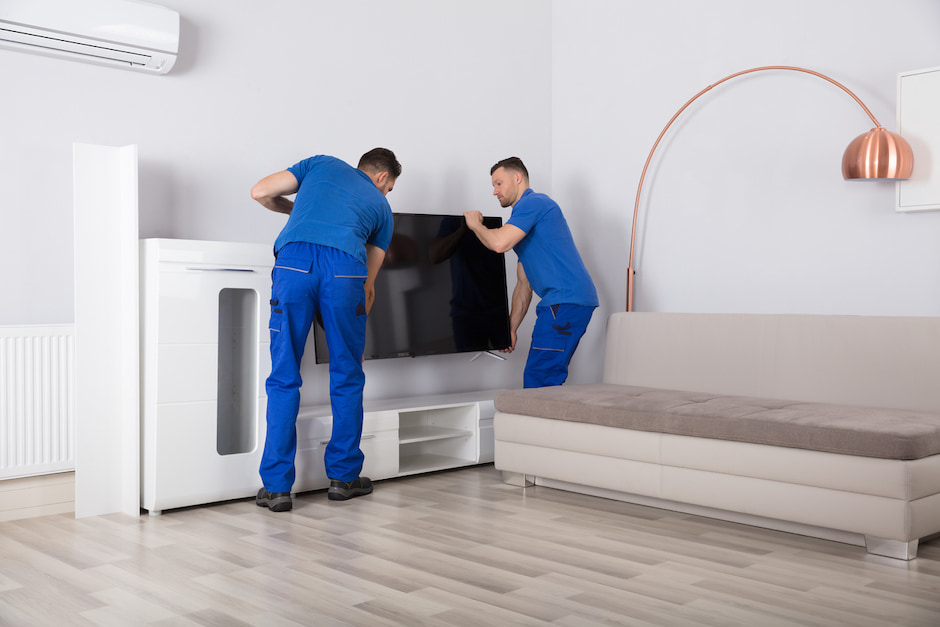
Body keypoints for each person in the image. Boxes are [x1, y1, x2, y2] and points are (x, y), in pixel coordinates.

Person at [251, 148, 401, 511]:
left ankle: (276, 489)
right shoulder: (382, 210)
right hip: (345, 270)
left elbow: (259, 191)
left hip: (294, 262)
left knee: (284, 375)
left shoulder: (321, 164)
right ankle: (344, 479)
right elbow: (368, 287)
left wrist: (296, 211)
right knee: (347, 375)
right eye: (390, 188)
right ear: (382, 178)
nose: (386, 195)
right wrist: (354, 340)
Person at [463, 156, 597, 388]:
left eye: (498, 183)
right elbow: (523, 284)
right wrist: (510, 329)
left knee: (540, 378)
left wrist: (476, 225)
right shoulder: (525, 219)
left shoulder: (533, 203)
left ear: (517, 178)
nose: (495, 191)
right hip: (562, 303)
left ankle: (542, 424)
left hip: (565, 301)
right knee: (543, 376)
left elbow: (498, 244)